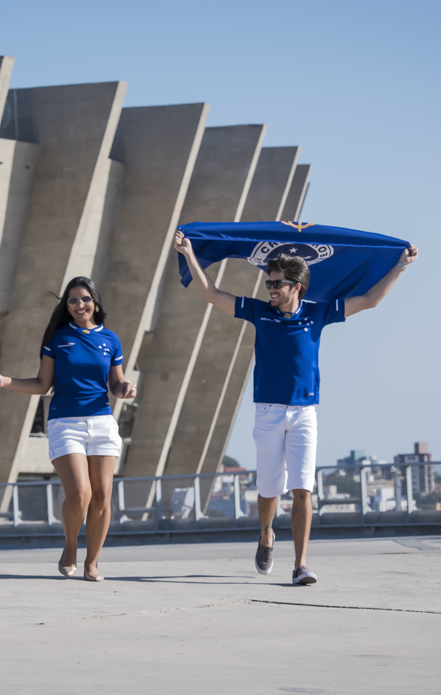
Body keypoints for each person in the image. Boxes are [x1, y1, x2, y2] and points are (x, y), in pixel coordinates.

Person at [173, 229, 418, 584]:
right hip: (268, 412)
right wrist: (190, 252)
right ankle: (266, 534)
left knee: (303, 488)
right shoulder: (258, 311)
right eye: (269, 283)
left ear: (295, 287)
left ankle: (300, 564)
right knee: (269, 489)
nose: (270, 289)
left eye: (276, 284)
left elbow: (369, 300)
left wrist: (400, 267)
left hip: (304, 413)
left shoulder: (319, 313)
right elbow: (211, 294)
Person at [0, 276, 136, 582]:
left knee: (103, 496)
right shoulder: (59, 337)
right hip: (65, 423)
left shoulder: (111, 340)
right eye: (73, 300)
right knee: (80, 494)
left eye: (85, 299)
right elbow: (42, 384)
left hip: (102, 422)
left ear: (96, 302)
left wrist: (125, 389)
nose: (80, 305)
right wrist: (5, 381)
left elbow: (115, 385)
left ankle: (92, 563)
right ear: (66, 306)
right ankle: (69, 546)